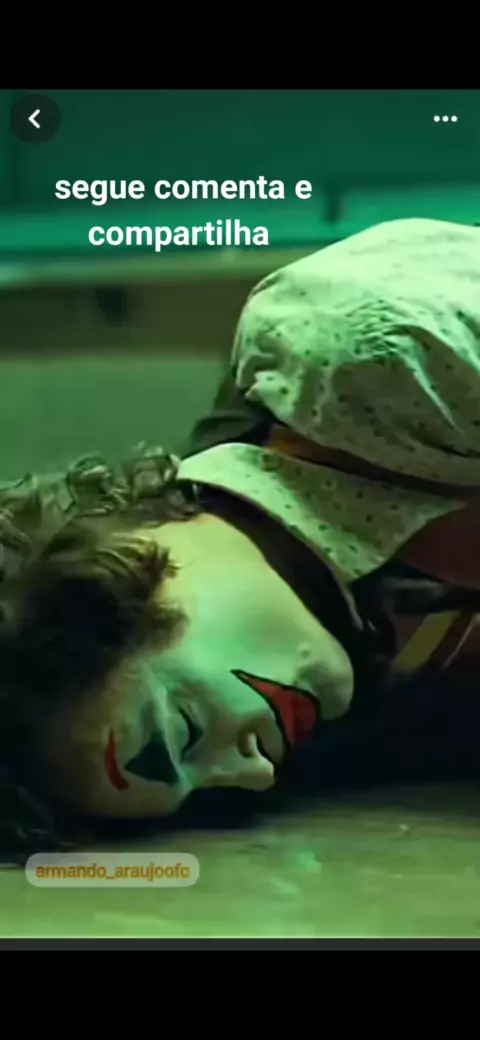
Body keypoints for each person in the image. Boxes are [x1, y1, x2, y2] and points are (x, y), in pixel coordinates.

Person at [2, 215, 480, 863]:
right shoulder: (362, 709)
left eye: (184, 730)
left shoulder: (368, 360)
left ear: (131, 559)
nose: (254, 773)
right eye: (207, 791)